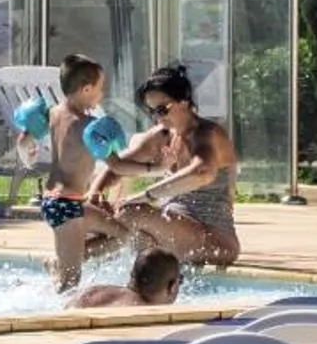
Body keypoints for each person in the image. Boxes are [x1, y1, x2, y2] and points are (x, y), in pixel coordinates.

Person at [86, 63, 241, 270]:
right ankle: (74, 264)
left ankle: (79, 261)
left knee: (130, 213)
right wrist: (95, 194)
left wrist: (145, 196)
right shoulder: (163, 136)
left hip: (215, 240)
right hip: (175, 231)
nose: (157, 117)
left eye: (162, 109)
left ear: (184, 101)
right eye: (151, 111)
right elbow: (117, 166)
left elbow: (201, 172)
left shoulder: (207, 134)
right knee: (90, 214)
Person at [35, 53, 120, 290]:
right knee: (70, 283)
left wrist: (26, 148)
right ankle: (62, 312)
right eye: (100, 88)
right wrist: (154, 167)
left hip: (67, 202)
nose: (102, 94)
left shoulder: (53, 113)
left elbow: (26, 133)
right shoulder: (88, 126)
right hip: (65, 205)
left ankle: (60, 262)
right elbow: (118, 165)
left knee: (123, 235)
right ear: (86, 89)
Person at [70, 247, 183, 310]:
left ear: (131, 275)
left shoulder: (93, 292)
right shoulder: (144, 314)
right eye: (180, 280)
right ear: (172, 287)